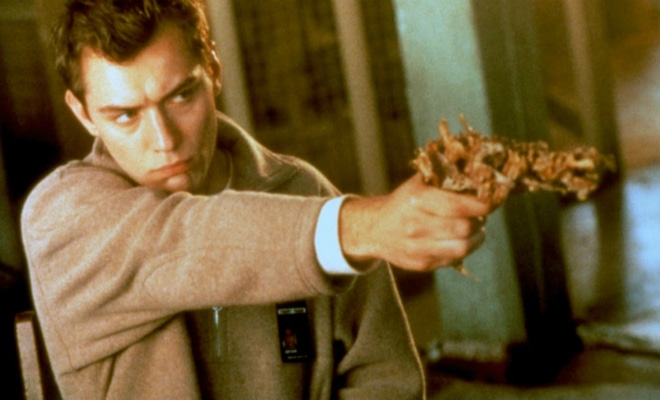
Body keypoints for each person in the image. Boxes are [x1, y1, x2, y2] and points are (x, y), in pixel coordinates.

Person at [20, 0, 495, 398]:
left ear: (213, 71)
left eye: (181, 96)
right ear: (83, 114)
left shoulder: (301, 192)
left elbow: (386, 378)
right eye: (125, 116)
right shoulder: (60, 219)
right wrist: (365, 227)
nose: (164, 140)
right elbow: (182, 240)